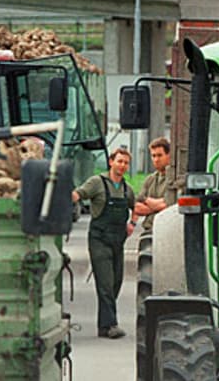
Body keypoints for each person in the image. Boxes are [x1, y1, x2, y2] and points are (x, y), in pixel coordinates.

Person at [71, 148, 136, 339]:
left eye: (125, 162)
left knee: (116, 282)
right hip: (99, 240)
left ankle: (103, 326)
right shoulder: (97, 183)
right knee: (105, 283)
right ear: (111, 162)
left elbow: (136, 206)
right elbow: (78, 194)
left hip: (118, 242)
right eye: (119, 161)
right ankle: (111, 325)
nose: (122, 165)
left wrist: (132, 223)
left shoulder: (127, 189)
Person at [132, 137, 177, 232]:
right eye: (153, 156)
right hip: (149, 229)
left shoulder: (175, 179)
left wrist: (146, 201)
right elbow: (137, 208)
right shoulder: (150, 179)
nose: (156, 159)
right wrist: (158, 205)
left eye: (160, 155)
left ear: (169, 155)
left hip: (167, 229)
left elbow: (170, 205)